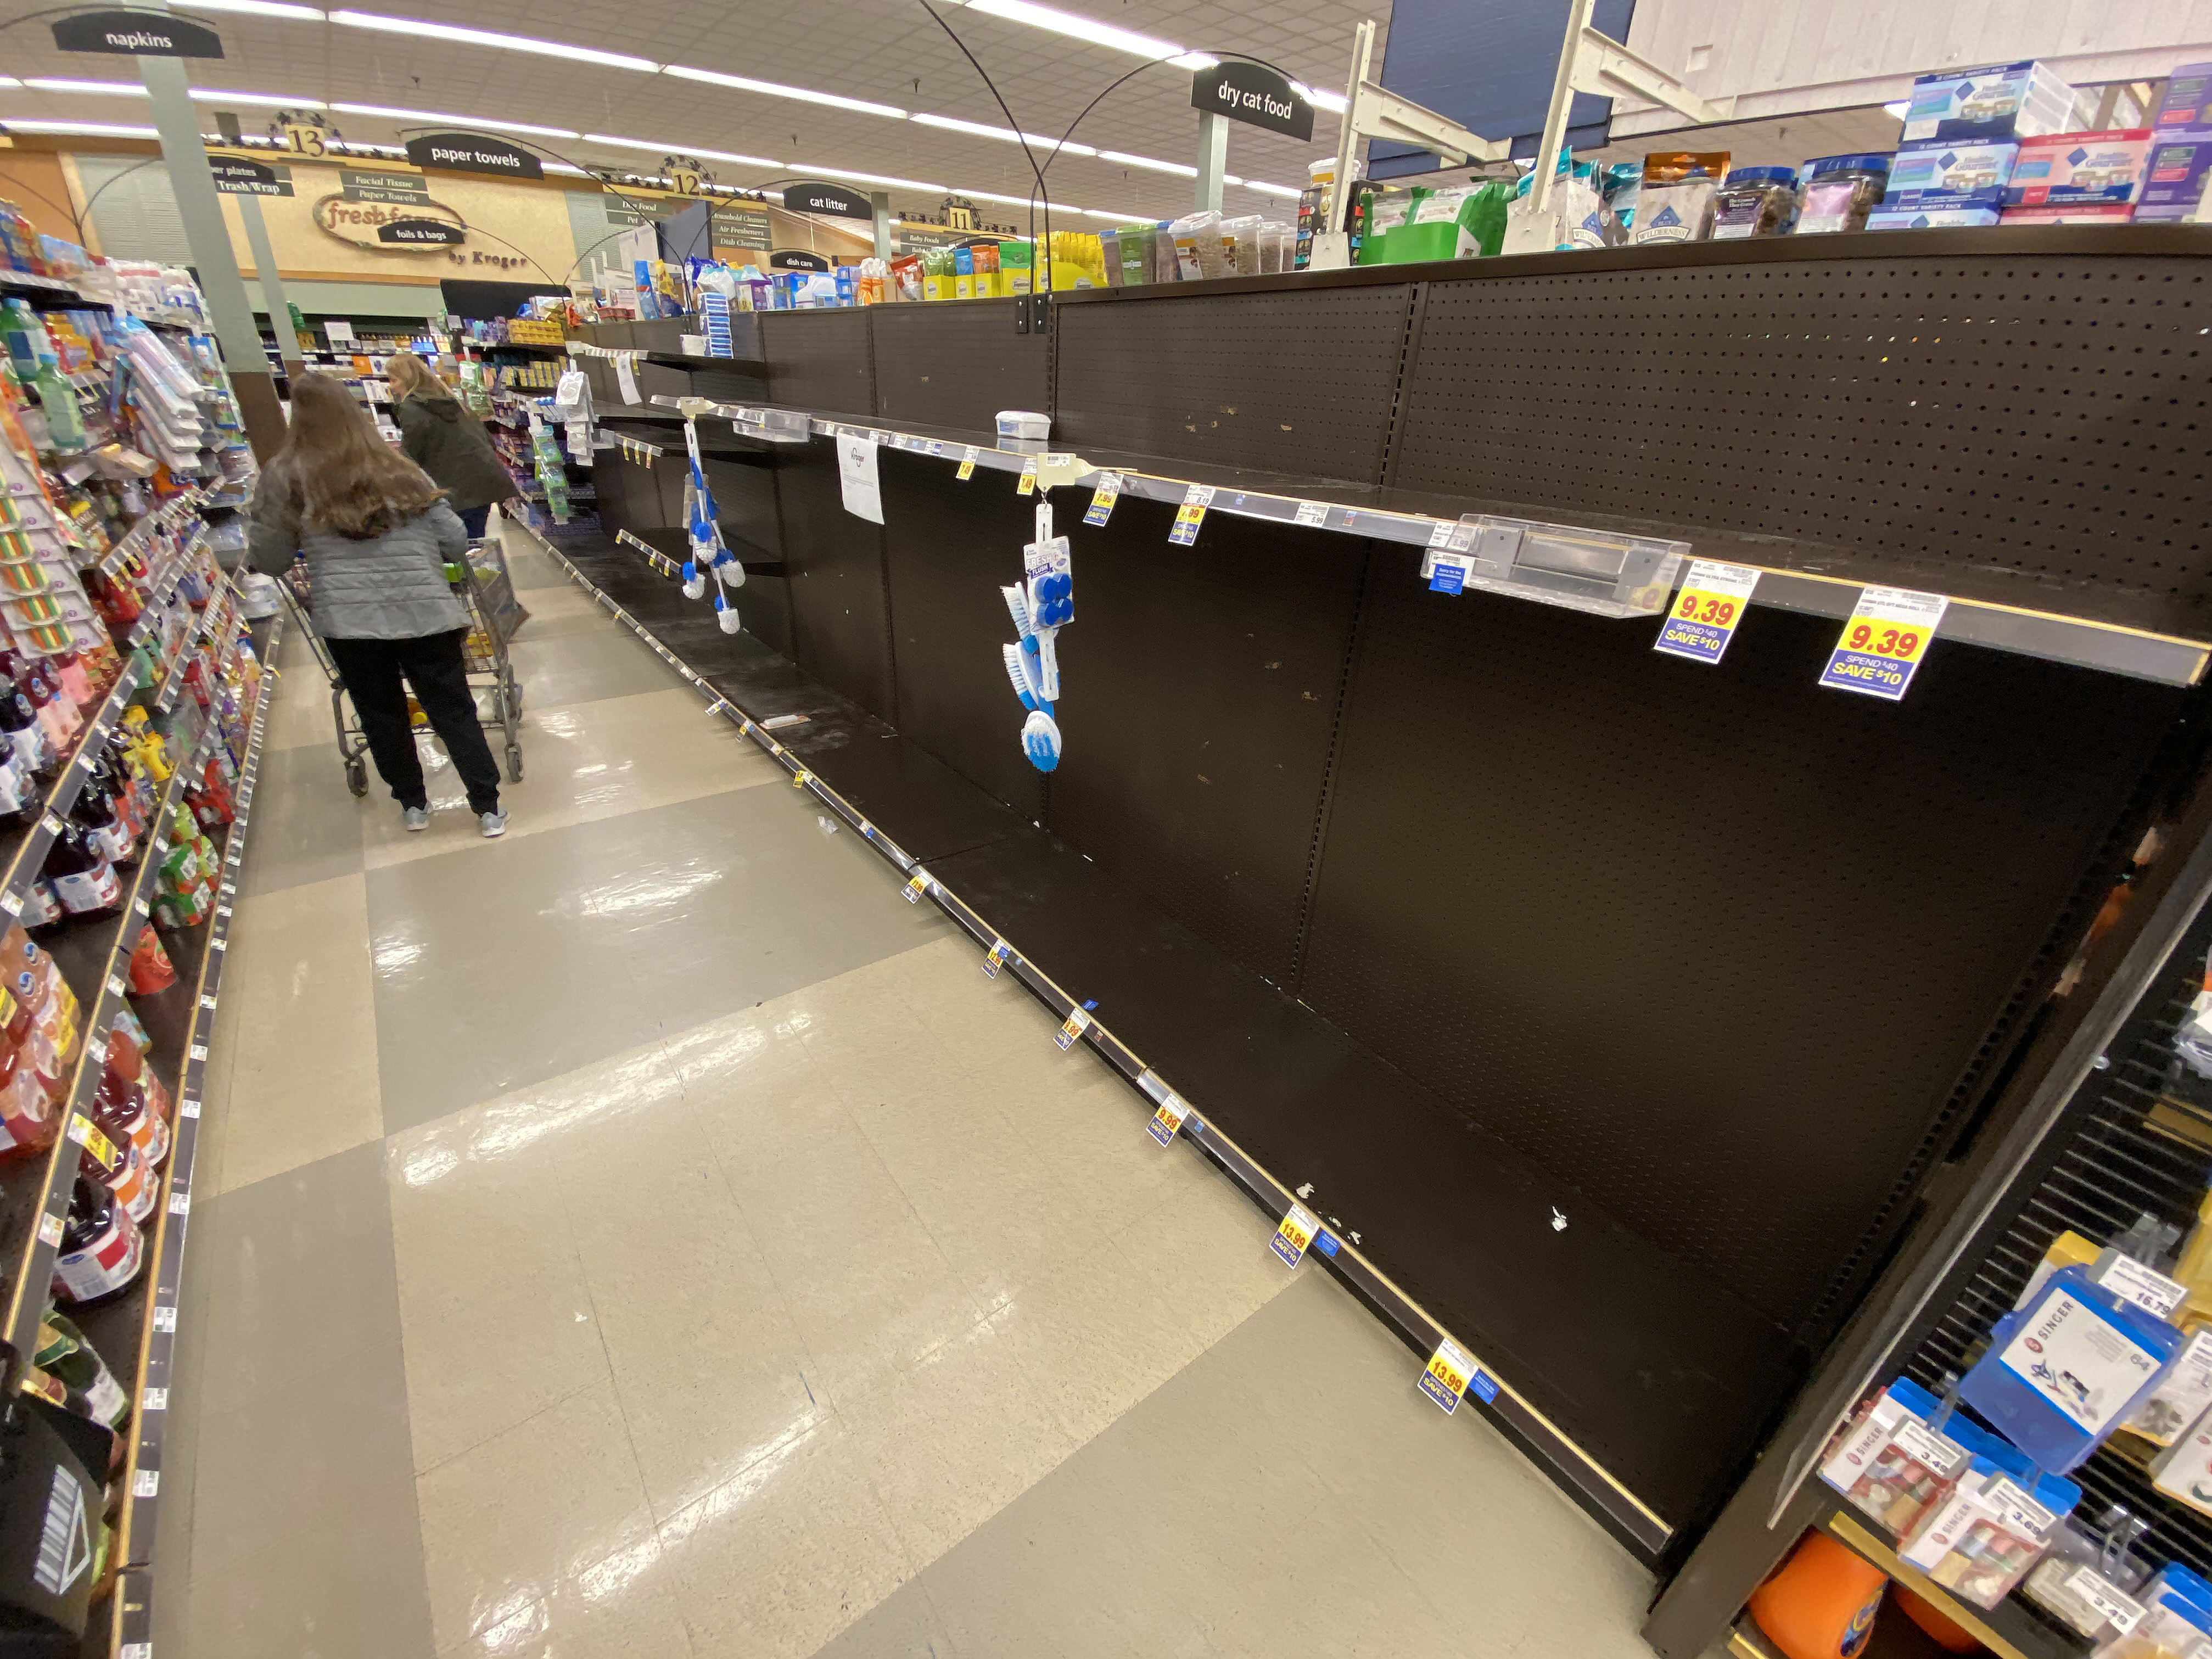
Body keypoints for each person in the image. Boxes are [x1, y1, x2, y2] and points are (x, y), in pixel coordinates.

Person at [247, 373, 507, 837]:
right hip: (428, 613)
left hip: (350, 623)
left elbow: (270, 558)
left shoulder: (284, 475)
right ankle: (487, 805)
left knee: (381, 712)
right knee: (452, 707)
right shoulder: (398, 466)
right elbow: (452, 538)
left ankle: (413, 804)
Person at [385, 350, 516, 539]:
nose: (392, 388)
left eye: (394, 380)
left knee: (457, 549)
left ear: (408, 380)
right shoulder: (452, 401)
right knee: (474, 544)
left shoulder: (412, 408)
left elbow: (411, 455)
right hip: (483, 482)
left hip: (458, 490)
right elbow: (488, 440)